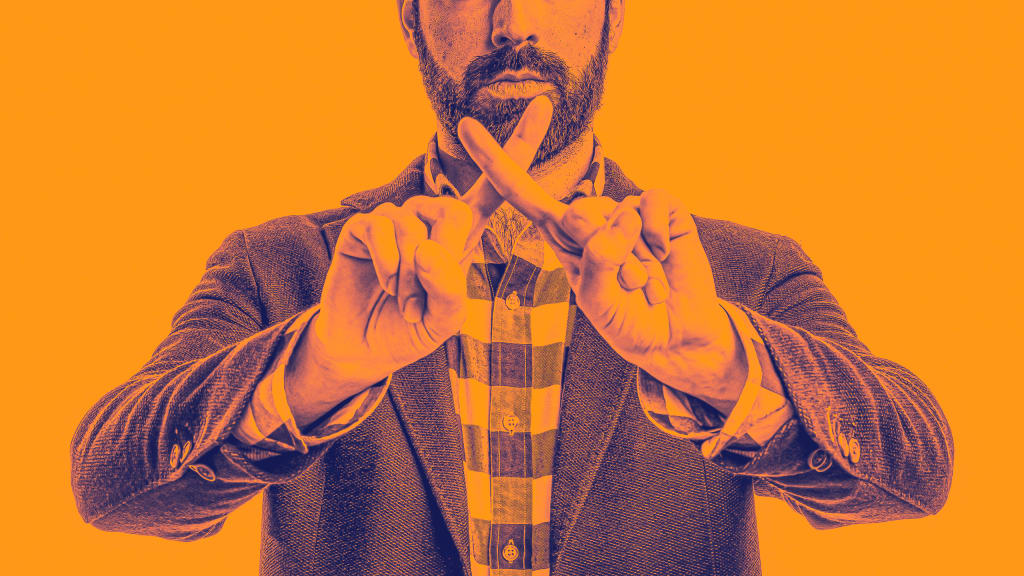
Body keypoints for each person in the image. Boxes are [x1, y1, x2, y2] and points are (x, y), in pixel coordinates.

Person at [70, 1, 953, 575]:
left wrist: (719, 363)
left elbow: (914, 473)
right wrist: (317, 369)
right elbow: (111, 486)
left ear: (612, 15)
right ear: (410, 18)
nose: (513, 22)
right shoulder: (285, 266)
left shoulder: (736, 274)